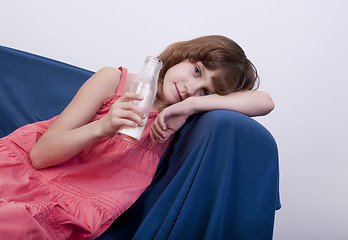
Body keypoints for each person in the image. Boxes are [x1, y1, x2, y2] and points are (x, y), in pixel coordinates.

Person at [0, 35, 274, 239]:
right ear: (182, 56)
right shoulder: (114, 82)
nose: (191, 89)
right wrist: (104, 126)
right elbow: (40, 156)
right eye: (197, 71)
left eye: (206, 92)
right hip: (27, 176)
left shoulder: (175, 118)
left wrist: (189, 107)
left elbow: (265, 102)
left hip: (76, 206)